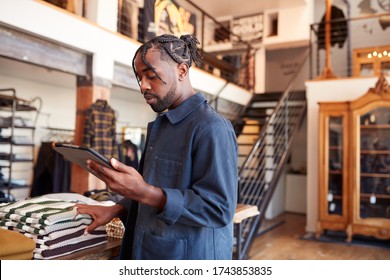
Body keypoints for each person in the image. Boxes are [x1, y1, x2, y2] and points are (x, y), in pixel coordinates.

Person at [74, 34, 238, 260]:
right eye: (140, 78)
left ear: (182, 71)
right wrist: (117, 208)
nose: (143, 86)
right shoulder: (162, 126)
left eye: (151, 76)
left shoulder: (211, 128)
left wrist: (143, 191)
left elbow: (218, 209)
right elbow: (155, 187)